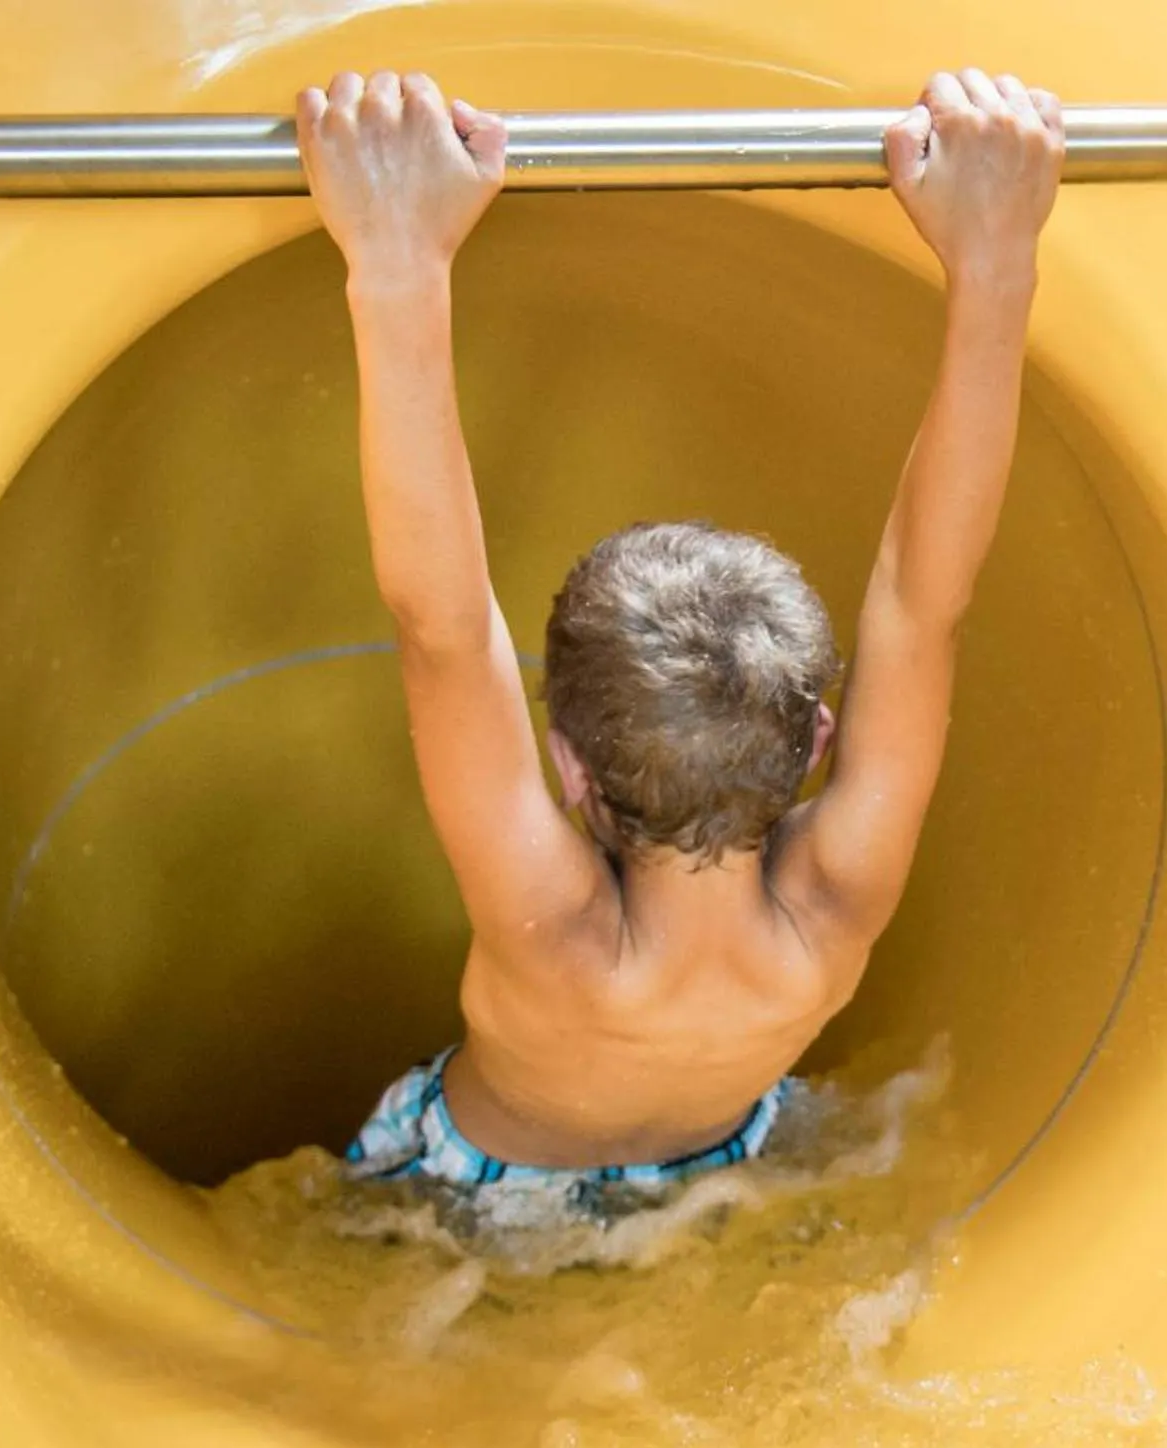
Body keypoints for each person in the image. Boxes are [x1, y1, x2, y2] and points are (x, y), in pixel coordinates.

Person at [294, 64, 1062, 1194]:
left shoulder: (557, 938)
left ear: (569, 769)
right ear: (817, 743)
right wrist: (996, 263)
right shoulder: (835, 904)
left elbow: (440, 622)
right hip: (719, 1170)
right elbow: (923, 598)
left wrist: (396, 260)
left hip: (479, 1194)